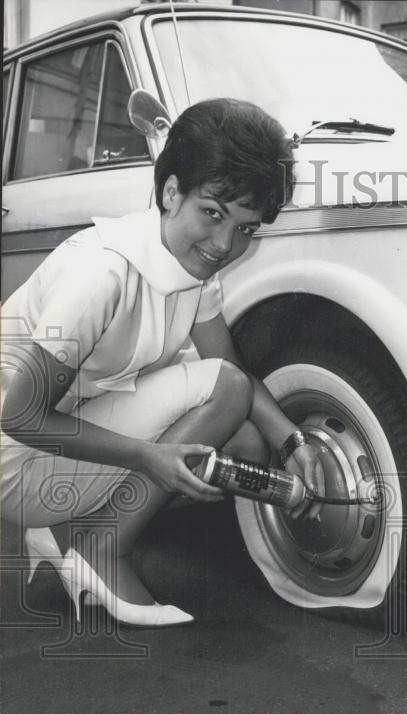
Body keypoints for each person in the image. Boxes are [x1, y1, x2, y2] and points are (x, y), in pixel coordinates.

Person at [1, 98, 323, 627]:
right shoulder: (102, 273)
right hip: (14, 459)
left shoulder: (194, 270)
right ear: (171, 192)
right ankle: (102, 546)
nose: (224, 244)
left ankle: (65, 528)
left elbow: (228, 359)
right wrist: (147, 457)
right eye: (213, 213)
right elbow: (19, 416)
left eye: (246, 229)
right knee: (226, 392)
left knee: (243, 443)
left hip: (70, 434)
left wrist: (295, 443)